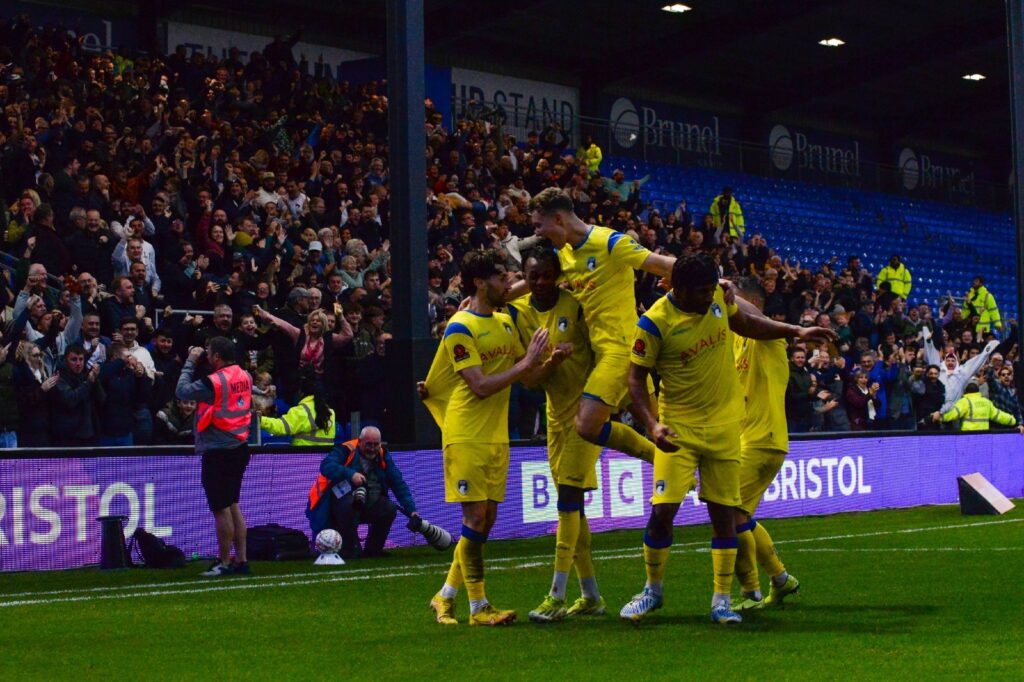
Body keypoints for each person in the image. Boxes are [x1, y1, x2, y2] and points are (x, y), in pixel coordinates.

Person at [618, 253, 835, 624]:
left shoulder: (718, 299)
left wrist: (795, 331)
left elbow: (750, 324)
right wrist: (652, 425)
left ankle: (722, 600)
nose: (708, 297)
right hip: (679, 429)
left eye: (710, 290)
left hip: (725, 430)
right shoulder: (654, 323)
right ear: (680, 289)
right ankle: (652, 590)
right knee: (662, 512)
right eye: (701, 292)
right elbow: (636, 380)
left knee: (724, 517)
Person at [419, 249, 549, 626]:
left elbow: (527, 378)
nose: (508, 281)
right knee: (475, 517)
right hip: (466, 433)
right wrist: (525, 363)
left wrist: (548, 361)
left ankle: (445, 595)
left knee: (485, 520)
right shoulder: (461, 327)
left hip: (495, 436)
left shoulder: (504, 322)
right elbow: (477, 386)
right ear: (479, 282)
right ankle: (479, 608)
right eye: (500, 275)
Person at [528, 186, 674, 465]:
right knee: (663, 427)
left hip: (621, 352)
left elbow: (660, 263)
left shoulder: (609, 243)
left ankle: (660, 460)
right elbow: (530, 282)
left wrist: (717, 280)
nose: (537, 233)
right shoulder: (565, 255)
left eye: (539, 225)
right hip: (603, 355)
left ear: (558, 219)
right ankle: (684, 470)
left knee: (586, 425)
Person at [506, 249, 606, 622]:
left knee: (567, 500)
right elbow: (529, 381)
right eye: (534, 276)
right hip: (554, 418)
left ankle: (556, 595)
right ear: (525, 277)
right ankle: (591, 595)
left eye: (548, 275)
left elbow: (603, 353)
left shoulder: (576, 305)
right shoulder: (520, 315)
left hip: (585, 414)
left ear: (557, 275)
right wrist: (549, 362)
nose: (541, 282)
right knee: (573, 509)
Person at [729, 278, 801, 611]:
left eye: (733, 299)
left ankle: (751, 592)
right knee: (737, 515)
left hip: (763, 439)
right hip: (744, 439)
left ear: (753, 304)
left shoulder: (770, 335)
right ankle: (781, 580)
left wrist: (719, 290)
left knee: (729, 514)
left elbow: (746, 314)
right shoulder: (734, 340)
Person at [176, 336, 254, 578]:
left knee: (220, 508)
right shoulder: (244, 375)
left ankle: (223, 562)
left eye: (209, 353)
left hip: (219, 450)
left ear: (217, 357)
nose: (206, 356)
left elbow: (182, 391)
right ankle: (241, 560)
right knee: (232, 504)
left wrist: (190, 361)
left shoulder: (215, 381)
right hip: (239, 446)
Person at [305, 427, 417, 560]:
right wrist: (351, 474)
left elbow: (398, 483)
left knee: (389, 508)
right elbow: (326, 466)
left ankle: (373, 550)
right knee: (348, 506)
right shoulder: (345, 450)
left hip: (367, 502)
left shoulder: (383, 455)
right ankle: (350, 549)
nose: (372, 448)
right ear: (360, 442)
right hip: (334, 506)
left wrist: (412, 511)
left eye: (376, 444)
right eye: (368, 444)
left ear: (380, 444)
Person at [259, 370, 336, 446]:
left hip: (304, 457)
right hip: (327, 457)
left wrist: (259, 419)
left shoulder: (302, 411)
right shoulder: (330, 412)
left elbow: (280, 427)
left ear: (301, 392)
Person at [932, 383, 1023, 433]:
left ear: (966, 392)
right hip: (983, 436)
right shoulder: (986, 402)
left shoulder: (965, 401)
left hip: (968, 436)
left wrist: (940, 417)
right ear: (977, 391)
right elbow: (998, 415)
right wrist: (1012, 420)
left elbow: (953, 414)